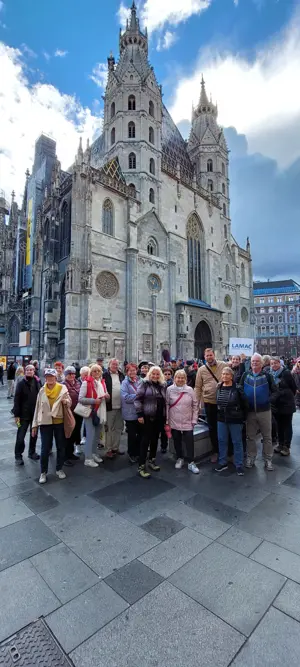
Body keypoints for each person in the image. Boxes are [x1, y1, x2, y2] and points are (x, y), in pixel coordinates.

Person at [32, 369, 71, 484]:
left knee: (60, 446)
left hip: (59, 421)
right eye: (47, 376)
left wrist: (66, 402)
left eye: (51, 376)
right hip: (45, 422)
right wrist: (35, 425)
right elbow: (37, 408)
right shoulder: (42, 390)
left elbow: (69, 402)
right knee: (45, 448)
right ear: (45, 378)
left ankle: (59, 469)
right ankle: (43, 472)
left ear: (55, 377)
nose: (49, 378)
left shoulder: (62, 388)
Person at [239, 353, 277, 471]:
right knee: (250, 437)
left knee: (267, 437)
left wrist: (268, 400)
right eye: (252, 361)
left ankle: (268, 459)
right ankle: (251, 457)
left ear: (261, 363)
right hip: (250, 412)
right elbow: (240, 388)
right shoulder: (246, 375)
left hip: (264, 411)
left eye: (257, 361)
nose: (254, 363)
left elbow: (276, 392)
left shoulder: (267, 376)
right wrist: (244, 401)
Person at [134, 366, 166, 478]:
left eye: (157, 374)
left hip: (159, 418)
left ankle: (152, 460)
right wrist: (139, 414)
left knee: (154, 440)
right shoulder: (144, 384)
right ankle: (141, 466)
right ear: (150, 374)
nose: (155, 376)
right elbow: (137, 399)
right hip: (147, 417)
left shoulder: (162, 385)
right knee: (145, 441)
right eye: (153, 374)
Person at [195, 348, 226, 463]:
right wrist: (196, 404)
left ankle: (227, 451)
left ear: (214, 354)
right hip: (209, 403)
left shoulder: (223, 365)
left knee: (224, 427)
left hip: (223, 402)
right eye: (207, 356)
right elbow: (198, 387)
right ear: (204, 357)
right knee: (212, 428)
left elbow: (232, 376)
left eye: (210, 355)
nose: (209, 357)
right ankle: (216, 451)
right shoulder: (201, 370)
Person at [166, 369, 199, 474]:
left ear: (185, 379)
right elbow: (167, 405)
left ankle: (191, 462)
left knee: (189, 442)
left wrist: (194, 419)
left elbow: (195, 405)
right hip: (174, 420)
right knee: (176, 441)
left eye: (182, 377)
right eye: (178, 377)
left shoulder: (190, 390)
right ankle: (180, 458)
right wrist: (167, 420)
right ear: (174, 378)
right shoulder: (169, 389)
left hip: (187, 420)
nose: (180, 379)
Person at [215, 367, 247, 476]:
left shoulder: (238, 388)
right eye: (223, 374)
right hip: (221, 419)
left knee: (237, 442)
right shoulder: (219, 387)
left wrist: (243, 417)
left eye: (227, 374)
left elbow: (245, 404)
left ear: (231, 376)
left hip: (235, 419)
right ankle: (222, 462)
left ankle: (239, 464)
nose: (224, 376)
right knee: (221, 441)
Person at [78, 364, 108, 467]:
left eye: (98, 371)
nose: (96, 373)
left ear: (101, 372)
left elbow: (105, 394)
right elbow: (80, 399)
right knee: (90, 435)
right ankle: (88, 458)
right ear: (91, 372)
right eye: (94, 371)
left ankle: (94, 453)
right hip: (90, 412)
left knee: (96, 435)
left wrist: (107, 396)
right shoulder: (86, 383)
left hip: (100, 411)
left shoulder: (102, 382)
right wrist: (94, 401)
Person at [13, 364, 40, 465]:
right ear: (25, 371)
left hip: (34, 415)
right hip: (22, 416)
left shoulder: (37, 381)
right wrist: (16, 415)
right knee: (20, 436)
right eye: (27, 370)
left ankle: (31, 452)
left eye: (31, 370)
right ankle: (18, 456)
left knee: (34, 435)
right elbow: (16, 400)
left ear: (34, 371)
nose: (29, 371)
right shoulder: (21, 383)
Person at [270, 357, 296, 456]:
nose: (274, 365)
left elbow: (293, 387)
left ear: (280, 363)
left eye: (276, 363)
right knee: (278, 425)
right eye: (272, 363)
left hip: (287, 403)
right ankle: (280, 444)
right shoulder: (270, 374)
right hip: (276, 404)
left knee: (287, 425)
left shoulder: (286, 373)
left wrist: (287, 395)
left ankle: (286, 446)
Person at [121, 364, 142, 464]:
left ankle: (137, 452)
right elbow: (125, 397)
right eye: (130, 371)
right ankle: (131, 453)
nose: (132, 372)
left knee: (140, 434)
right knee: (132, 435)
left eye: (134, 370)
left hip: (140, 412)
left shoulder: (140, 381)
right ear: (127, 372)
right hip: (130, 413)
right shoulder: (125, 383)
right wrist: (139, 396)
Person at [103, 358, 125, 458]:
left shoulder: (121, 375)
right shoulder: (104, 375)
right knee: (109, 428)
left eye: (116, 365)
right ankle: (108, 449)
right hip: (109, 406)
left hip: (120, 406)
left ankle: (115, 447)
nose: (115, 366)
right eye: (113, 364)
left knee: (119, 428)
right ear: (109, 365)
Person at [63, 366, 82, 465]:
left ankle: (70, 453)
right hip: (69, 413)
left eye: (73, 373)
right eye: (69, 374)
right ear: (66, 375)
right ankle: (65, 456)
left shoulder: (78, 383)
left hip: (78, 412)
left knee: (75, 432)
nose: (72, 375)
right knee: (68, 434)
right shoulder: (63, 385)